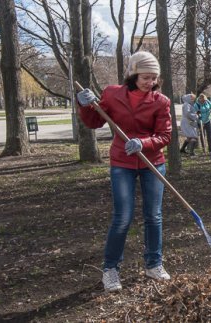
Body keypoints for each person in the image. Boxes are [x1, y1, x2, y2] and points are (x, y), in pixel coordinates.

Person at [76, 51, 171, 292]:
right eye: (145, 78)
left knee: (154, 216)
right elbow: (93, 122)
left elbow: (165, 135)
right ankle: (110, 270)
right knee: (122, 218)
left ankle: (154, 264)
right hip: (122, 162)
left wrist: (143, 143)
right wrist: (85, 104)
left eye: (154, 78)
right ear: (132, 74)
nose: (150, 83)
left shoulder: (161, 101)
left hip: (152, 162)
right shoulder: (111, 94)